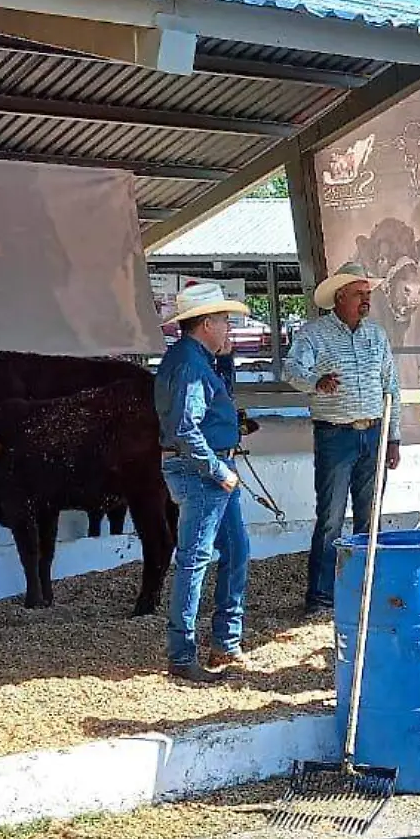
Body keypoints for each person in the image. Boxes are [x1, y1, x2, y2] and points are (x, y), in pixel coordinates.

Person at [285, 262, 401, 615]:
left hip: (372, 430)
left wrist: (393, 436)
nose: (366, 300)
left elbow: (389, 385)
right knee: (331, 517)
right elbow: (291, 369)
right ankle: (320, 597)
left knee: (370, 516)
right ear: (340, 297)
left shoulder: (376, 335)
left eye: (367, 294)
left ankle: (367, 591)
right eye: (359, 294)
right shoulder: (314, 334)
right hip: (336, 433)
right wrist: (315, 384)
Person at [155, 283, 256, 684]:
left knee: (231, 550)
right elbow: (185, 427)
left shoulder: (190, 359)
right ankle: (184, 653)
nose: (229, 328)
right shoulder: (192, 366)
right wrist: (218, 470)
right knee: (197, 559)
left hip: (205, 470)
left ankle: (223, 642)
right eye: (225, 321)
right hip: (203, 473)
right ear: (208, 323)